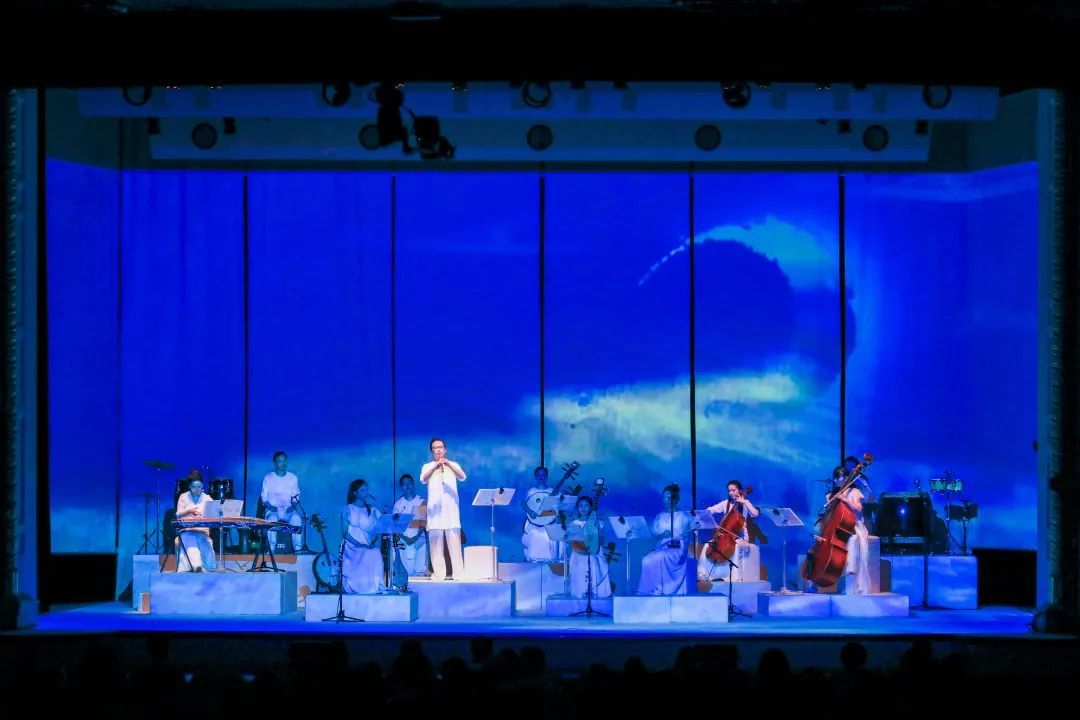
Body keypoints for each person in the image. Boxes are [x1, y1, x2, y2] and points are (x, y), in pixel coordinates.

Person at [419, 437, 467, 580]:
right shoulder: (427, 466)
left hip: (451, 512)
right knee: (436, 546)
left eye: (440, 447)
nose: (438, 450)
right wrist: (435, 466)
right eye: (435, 448)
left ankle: (458, 574)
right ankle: (439, 574)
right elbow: (423, 479)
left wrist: (448, 464)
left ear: (445, 449)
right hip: (435, 513)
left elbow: (462, 476)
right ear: (431, 451)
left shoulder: (453, 464)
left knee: (455, 545)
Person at [698, 480, 760, 582]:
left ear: (739, 490)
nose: (731, 493)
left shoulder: (746, 503)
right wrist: (708, 516)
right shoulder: (725, 503)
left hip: (741, 536)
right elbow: (711, 510)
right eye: (729, 491)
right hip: (725, 535)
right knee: (707, 546)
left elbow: (755, 514)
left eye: (733, 490)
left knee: (735, 547)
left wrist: (744, 502)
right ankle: (704, 574)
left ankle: (733, 577)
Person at [637, 484, 693, 595]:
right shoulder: (659, 516)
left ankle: (660, 589)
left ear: (675, 499)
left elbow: (687, 537)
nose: (665, 500)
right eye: (664, 498)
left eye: (668, 497)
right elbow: (654, 534)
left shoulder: (683, 516)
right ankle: (649, 590)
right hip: (662, 547)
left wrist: (683, 554)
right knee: (646, 559)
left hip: (677, 549)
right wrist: (662, 534)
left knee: (659, 557)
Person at [340, 478, 384, 594]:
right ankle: (359, 586)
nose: (366, 493)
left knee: (375, 552)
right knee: (369, 553)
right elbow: (344, 533)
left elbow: (378, 528)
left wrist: (371, 542)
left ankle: (374, 586)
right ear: (355, 492)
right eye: (363, 490)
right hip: (352, 546)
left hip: (366, 545)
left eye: (366, 490)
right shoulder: (348, 509)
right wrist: (359, 544)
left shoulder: (372, 510)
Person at [565, 496, 611, 598]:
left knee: (593, 562)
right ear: (578, 508)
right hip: (578, 553)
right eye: (581, 506)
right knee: (581, 564)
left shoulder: (598, 522)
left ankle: (593, 595)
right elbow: (572, 542)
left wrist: (598, 528)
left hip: (594, 553)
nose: (583, 508)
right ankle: (579, 596)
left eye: (586, 505)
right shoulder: (574, 523)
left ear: (591, 507)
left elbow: (602, 541)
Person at [260, 450, 302, 553]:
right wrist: (269, 506)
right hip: (273, 510)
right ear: (275, 463)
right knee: (272, 519)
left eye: (284, 461)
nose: (282, 464)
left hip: (288, 510)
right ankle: (271, 550)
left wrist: (293, 505)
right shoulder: (268, 478)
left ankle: (298, 550)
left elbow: (296, 495)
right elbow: (264, 496)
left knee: (297, 519)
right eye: (279, 461)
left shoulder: (292, 478)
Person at [175, 470, 216, 572]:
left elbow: (214, 514)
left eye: (199, 486)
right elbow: (178, 515)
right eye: (194, 487)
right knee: (191, 544)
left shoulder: (207, 498)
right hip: (188, 531)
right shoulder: (183, 497)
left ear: (202, 485)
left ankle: (204, 566)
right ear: (189, 486)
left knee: (209, 561)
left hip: (202, 531)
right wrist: (188, 511)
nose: (197, 489)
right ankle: (197, 566)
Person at [393, 473, 429, 577]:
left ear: (413, 484)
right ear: (401, 487)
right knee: (407, 572)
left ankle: (420, 572)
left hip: (418, 538)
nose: (407, 486)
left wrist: (415, 537)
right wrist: (405, 538)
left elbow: (422, 523)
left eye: (409, 483)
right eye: (404, 484)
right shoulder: (398, 504)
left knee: (419, 571)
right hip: (402, 538)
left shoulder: (421, 501)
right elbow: (396, 526)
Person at [521, 465, 559, 562]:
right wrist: (531, 512)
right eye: (539, 475)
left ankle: (548, 562)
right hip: (533, 523)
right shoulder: (531, 491)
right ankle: (533, 560)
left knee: (549, 537)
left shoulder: (551, 491)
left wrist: (546, 515)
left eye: (543, 475)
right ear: (535, 476)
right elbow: (523, 503)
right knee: (534, 535)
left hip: (549, 523)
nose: (541, 477)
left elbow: (555, 509)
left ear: (547, 476)